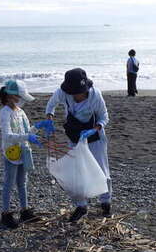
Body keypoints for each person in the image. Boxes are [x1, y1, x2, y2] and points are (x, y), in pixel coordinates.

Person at [45, 68, 112, 222]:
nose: (76, 95)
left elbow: (104, 116)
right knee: (77, 174)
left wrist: (94, 129)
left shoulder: (95, 95)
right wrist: (49, 118)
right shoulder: (63, 93)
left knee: (102, 171)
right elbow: (51, 105)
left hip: (94, 137)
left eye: (78, 92)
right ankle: (81, 206)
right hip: (74, 135)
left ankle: (106, 203)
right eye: (73, 92)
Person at [0, 79, 55, 229]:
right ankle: (6, 215)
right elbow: (7, 135)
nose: (21, 100)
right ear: (11, 96)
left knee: (23, 183)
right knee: (9, 183)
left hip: (23, 151)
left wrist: (38, 126)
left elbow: (26, 130)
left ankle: (25, 211)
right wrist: (27, 137)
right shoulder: (5, 112)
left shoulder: (20, 111)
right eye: (19, 97)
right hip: (11, 152)